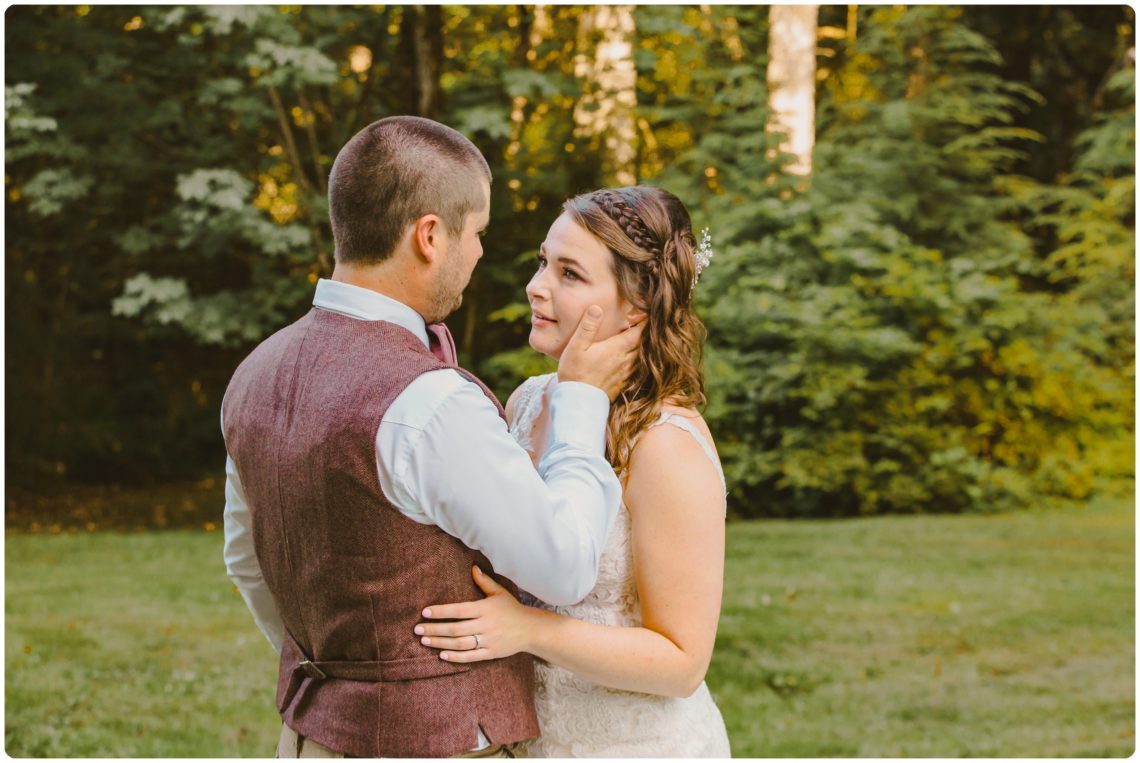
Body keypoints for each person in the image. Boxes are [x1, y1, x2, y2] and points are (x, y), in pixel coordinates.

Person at [221, 116, 643, 758]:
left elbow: (245, 559)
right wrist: (583, 399)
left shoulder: (253, 373)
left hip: (308, 738)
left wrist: (340, 672)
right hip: (436, 742)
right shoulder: (430, 403)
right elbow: (565, 566)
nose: (478, 253)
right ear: (428, 236)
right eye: (476, 233)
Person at [416, 186, 732, 756]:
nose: (536, 286)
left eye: (569, 273)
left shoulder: (664, 445)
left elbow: (683, 662)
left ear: (637, 306)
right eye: (543, 262)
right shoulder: (530, 401)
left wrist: (527, 630)